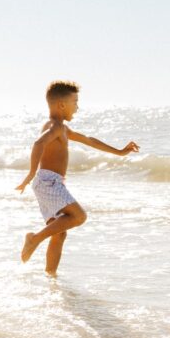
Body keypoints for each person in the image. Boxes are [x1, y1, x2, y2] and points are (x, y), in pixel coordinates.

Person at [16, 81, 139, 275]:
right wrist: (30, 173)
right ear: (62, 105)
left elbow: (89, 140)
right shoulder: (55, 126)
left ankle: (51, 277)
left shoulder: (63, 129)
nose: (78, 107)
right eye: (75, 102)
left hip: (48, 182)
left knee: (59, 232)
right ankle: (34, 239)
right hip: (48, 181)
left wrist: (121, 152)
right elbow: (39, 143)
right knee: (79, 216)